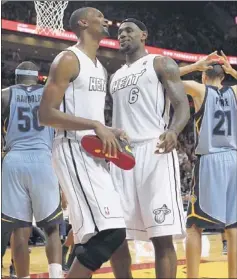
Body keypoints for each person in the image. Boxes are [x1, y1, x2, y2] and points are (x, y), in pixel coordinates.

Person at [39, 7, 126, 279]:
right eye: (99, 15)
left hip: (95, 153)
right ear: (83, 22)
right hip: (72, 149)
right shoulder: (67, 59)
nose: (106, 19)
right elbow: (45, 114)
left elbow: (91, 117)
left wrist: (107, 129)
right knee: (110, 233)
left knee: (103, 235)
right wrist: (95, 125)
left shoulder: (100, 67)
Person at [109, 18, 190, 279]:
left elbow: (182, 107)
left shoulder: (160, 63)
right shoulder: (115, 75)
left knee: (161, 236)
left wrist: (174, 131)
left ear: (144, 34)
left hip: (155, 152)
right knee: (115, 235)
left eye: (129, 31)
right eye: (119, 32)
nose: (122, 35)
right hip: (122, 155)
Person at [1, 61, 63, 278]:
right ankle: (56, 275)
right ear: (38, 78)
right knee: (52, 229)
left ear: (16, 78)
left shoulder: (5, 95)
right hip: (43, 160)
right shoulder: (52, 94)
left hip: (13, 161)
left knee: (20, 230)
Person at [179, 51, 237, 278]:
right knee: (233, 226)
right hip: (234, 159)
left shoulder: (200, 90)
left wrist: (195, 65)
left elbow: (167, 79)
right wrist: (233, 70)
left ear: (205, 76)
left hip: (211, 160)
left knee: (194, 226)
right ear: (224, 78)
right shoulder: (234, 91)